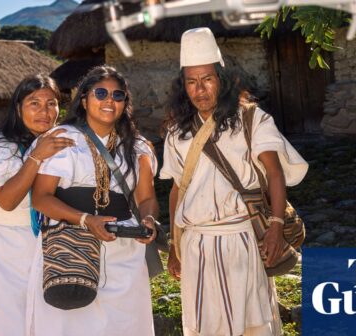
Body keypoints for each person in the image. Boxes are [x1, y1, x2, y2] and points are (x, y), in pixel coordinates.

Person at [160, 27, 308, 336]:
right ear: (183, 86)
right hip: (196, 244)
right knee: (205, 326)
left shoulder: (252, 119)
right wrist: (175, 245)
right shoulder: (177, 133)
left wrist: (276, 227)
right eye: (192, 82)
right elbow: (177, 189)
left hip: (242, 238)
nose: (200, 90)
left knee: (252, 324)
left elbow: (275, 173)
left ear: (222, 80)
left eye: (207, 80)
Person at [27, 65, 158, 335]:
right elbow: (41, 198)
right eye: (101, 93)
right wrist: (86, 220)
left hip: (124, 252)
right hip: (71, 249)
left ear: (125, 103)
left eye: (117, 95)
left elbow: (146, 197)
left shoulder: (138, 147)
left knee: (124, 326)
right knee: (72, 327)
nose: (109, 100)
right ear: (84, 100)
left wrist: (148, 219)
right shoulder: (62, 139)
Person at [0, 74, 74, 335]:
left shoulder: (53, 141)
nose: (44, 111)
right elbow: (7, 201)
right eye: (34, 103)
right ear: (18, 107)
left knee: (38, 317)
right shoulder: (0, 147)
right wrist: (35, 157)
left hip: (34, 242)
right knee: (3, 318)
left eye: (51, 103)